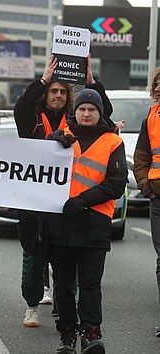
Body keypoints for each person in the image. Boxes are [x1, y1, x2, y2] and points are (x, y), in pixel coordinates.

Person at [13, 54, 113, 327]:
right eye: (52, 91)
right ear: (44, 94)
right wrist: (43, 78)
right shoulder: (31, 120)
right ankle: (32, 305)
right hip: (35, 199)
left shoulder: (77, 119)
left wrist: (91, 81)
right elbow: (20, 107)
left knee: (68, 256)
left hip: (68, 201)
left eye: (62, 91)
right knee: (33, 255)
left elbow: (105, 111)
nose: (57, 95)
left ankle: (64, 301)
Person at [46, 88, 126, 354]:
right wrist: (50, 143)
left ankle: (91, 333)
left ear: (100, 113)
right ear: (74, 112)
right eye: (82, 109)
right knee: (63, 283)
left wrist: (83, 200)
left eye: (92, 109)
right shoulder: (61, 139)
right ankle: (67, 334)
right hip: (62, 222)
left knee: (90, 283)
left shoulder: (112, 142)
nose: (86, 113)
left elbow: (116, 184)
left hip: (95, 222)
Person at [133, 67, 160, 337]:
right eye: (158, 85)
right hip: (158, 199)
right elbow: (141, 158)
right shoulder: (150, 119)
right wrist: (146, 187)